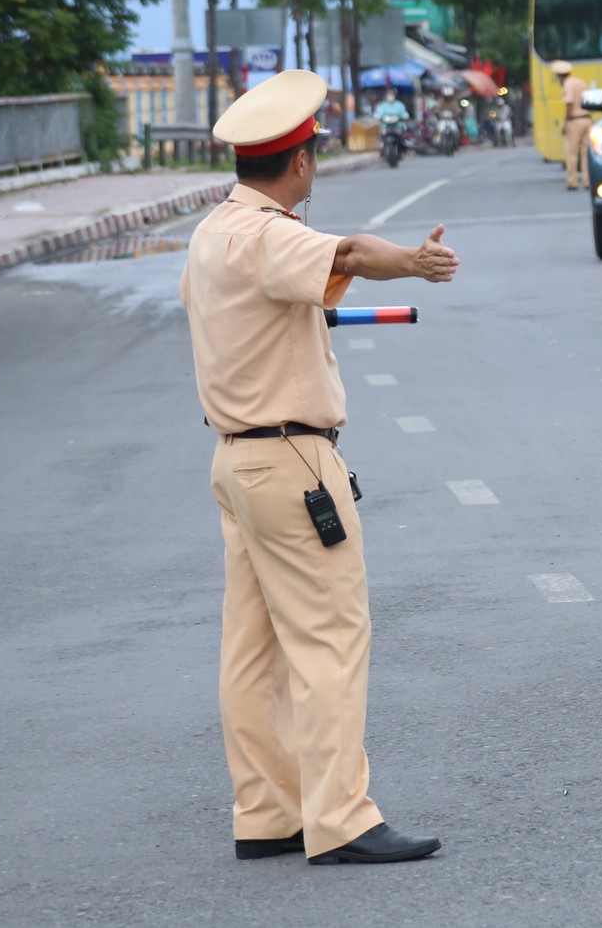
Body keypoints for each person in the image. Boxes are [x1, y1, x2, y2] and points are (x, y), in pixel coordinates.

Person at [179, 69, 457, 866]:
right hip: (294, 461)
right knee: (331, 638)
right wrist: (410, 260)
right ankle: (340, 817)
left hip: (236, 461)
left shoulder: (212, 234)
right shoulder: (271, 235)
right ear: (300, 164)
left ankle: (267, 812)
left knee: (252, 648)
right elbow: (349, 252)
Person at [554, 58, 590, 190]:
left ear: (560, 75)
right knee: (586, 153)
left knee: (572, 153)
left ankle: (572, 181)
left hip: (574, 120)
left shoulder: (567, 84)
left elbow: (569, 103)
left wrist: (566, 121)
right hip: (587, 119)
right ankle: (587, 181)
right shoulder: (581, 82)